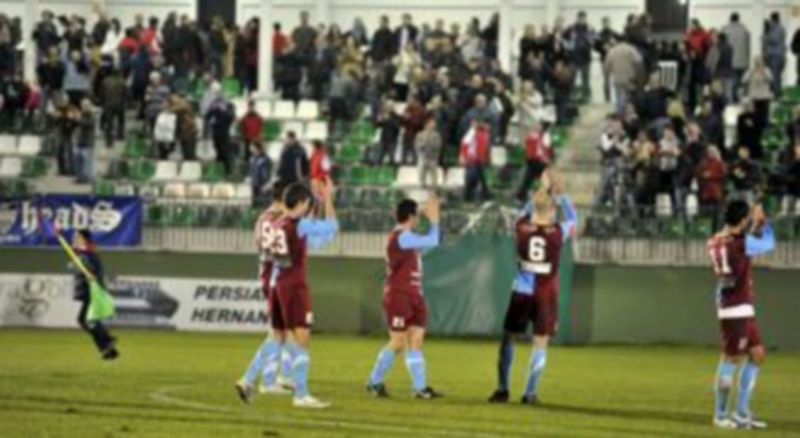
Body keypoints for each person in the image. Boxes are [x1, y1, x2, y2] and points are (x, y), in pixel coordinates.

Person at [236, 182, 338, 408]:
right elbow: (331, 227)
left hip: (275, 282)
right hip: (293, 285)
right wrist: (327, 199)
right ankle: (301, 394)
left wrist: (316, 204)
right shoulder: (297, 224)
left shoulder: (276, 221)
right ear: (301, 203)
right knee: (302, 340)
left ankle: (248, 378)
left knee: (278, 337)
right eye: (307, 202)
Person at [488, 172, 577, 404]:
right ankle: (529, 393)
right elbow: (574, 220)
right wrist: (561, 194)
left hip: (521, 292)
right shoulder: (558, 232)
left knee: (508, 340)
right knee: (540, 343)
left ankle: (502, 389)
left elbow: (526, 212)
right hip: (545, 295)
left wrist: (541, 188)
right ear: (551, 210)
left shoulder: (521, 227)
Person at [366, 195, 443, 399]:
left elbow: (430, 243)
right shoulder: (401, 237)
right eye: (417, 215)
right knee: (398, 342)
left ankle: (420, 388)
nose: (419, 218)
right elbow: (434, 239)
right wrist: (434, 219)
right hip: (399, 294)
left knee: (416, 339)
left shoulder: (408, 238)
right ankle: (374, 382)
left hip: (415, 293)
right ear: (410, 216)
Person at [707, 201, 774, 429]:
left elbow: (743, 243)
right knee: (730, 359)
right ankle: (721, 414)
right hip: (736, 307)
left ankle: (743, 412)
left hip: (736, 304)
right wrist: (763, 222)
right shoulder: (742, 243)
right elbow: (767, 243)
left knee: (757, 354)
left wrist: (752, 225)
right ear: (743, 219)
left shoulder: (715, 239)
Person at [237, 184, 295, 399]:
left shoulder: (262, 218)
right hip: (277, 277)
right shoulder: (279, 220)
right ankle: (257, 379)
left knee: (283, 331)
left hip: (266, 274)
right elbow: (281, 250)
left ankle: (277, 378)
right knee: (280, 332)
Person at [71, 230, 119, 360]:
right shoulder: (81, 253)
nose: (74, 238)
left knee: (86, 320)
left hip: (92, 291)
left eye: (77, 236)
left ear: (84, 239)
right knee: (87, 321)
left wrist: (91, 273)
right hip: (88, 291)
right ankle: (108, 350)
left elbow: (93, 269)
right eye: (74, 236)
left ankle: (108, 341)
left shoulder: (88, 253)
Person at [604, 38, 643, 116]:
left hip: (618, 79)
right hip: (630, 79)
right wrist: (639, 76)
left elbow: (607, 65)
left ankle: (620, 115)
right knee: (630, 99)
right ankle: (629, 115)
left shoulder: (612, 51)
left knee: (619, 98)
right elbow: (639, 62)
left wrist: (607, 77)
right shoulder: (631, 49)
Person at [516, 121, 551, 202]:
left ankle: (521, 195)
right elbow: (546, 148)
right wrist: (547, 158)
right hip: (539, 160)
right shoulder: (544, 135)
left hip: (531, 159)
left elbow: (526, 145)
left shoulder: (532, 134)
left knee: (528, 178)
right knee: (544, 179)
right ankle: (549, 195)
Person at [721, 13, 751, 103]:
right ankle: (737, 97)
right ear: (738, 19)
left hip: (730, 60)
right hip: (742, 60)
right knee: (740, 81)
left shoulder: (725, 30)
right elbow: (748, 47)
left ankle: (733, 98)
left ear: (730, 19)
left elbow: (722, 46)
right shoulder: (745, 30)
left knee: (731, 81)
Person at [460, 120, 491, 202]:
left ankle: (482, 194)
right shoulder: (473, 133)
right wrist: (464, 156)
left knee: (480, 178)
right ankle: (468, 196)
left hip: (479, 159)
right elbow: (465, 144)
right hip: (472, 159)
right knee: (471, 178)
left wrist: (485, 158)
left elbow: (484, 148)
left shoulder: (485, 134)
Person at [761, 13, 786, 96]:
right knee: (772, 75)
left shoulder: (778, 29)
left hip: (776, 55)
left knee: (775, 75)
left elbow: (774, 39)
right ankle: (774, 92)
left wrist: (767, 34)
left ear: (773, 19)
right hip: (772, 55)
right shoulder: (774, 28)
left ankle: (776, 93)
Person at [416, 117, 442, 189]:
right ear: (426, 125)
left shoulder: (436, 135)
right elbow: (418, 145)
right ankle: (422, 183)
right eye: (431, 124)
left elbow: (438, 145)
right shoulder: (420, 134)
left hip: (432, 157)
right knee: (422, 172)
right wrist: (423, 145)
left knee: (433, 172)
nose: (433, 126)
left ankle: (434, 185)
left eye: (433, 125)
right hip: (423, 156)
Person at [75, 99, 96, 184]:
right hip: (80, 141)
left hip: (88, 142)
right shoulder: (82, 115)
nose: (83, 108)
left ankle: (87, 178)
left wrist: (77, 119)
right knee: (79, 160)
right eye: (82, 106)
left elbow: (88, 124)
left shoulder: (91, 116)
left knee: (87, 162)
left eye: (85, 106)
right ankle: (80, 177)